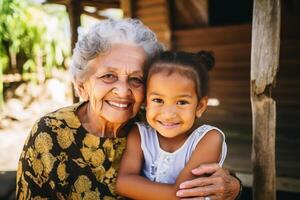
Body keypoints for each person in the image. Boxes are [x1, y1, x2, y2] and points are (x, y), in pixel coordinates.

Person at [16, 18, 241, 200]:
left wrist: (234, 186)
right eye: (108, 76)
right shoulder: (51, 133)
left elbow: (202, 164)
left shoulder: (155, 120)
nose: (123, 91)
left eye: (136, 79)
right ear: (82, 85)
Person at [116, 51, 228, 200]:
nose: (168, 114)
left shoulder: (208, 139)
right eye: (158, 100)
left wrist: (138, 188)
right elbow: (123, 183)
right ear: (145, 102)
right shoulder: (140, 134)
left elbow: (184, 194)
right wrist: (172, 194)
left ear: (200, 106)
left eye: (181, 102)